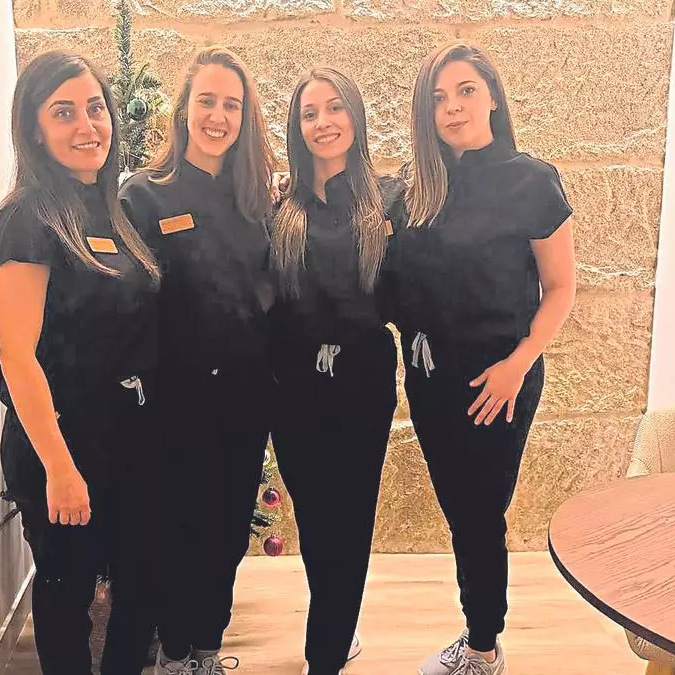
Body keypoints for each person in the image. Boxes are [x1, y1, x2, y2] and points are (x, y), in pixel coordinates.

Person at [388, 43, 577, 675]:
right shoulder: (416, 188)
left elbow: (560, 289)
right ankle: (479, 635)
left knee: (478, 513)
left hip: (499, 379)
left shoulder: (532, 181)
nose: (453, 107)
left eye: (466, 90)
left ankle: (482, 646)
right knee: (460, 510)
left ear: (492, 95)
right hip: (429, 379)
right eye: (438, 98)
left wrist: (518, 364)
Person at [0, 50, 163, 675]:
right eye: (64, 113)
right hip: (62, 442)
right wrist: (60, 469)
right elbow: (18, 357)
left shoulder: (113, 209)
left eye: (95, 108)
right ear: (35, 130)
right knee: (67, 594)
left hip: (127, 439)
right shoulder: (25, 220)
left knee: (140, 585)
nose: (87, 126)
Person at [118, 46, 276, 675]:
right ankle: (175, 652)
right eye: (206, 101)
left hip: (243, 399)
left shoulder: (256, 201)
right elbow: (128, 305)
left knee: (228, 530)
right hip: (172, 402)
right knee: (174, 532)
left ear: (244, 117)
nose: (218, 115)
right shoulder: (143, 196)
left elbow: (270, 292)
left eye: (231, 105)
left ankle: (206, 650)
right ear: (183, 110)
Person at [267, 67, 400, 675]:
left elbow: (407, 290)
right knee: (315, 519)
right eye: (309, 113)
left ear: (356, 115)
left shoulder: (391, 199)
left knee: (349, 518)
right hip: (291, 385)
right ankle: (337, 627)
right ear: (297, 128)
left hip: (361, 385)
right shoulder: (281, 206)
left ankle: (324, 654)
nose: (323, 123)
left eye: (334, 108)